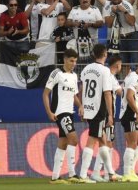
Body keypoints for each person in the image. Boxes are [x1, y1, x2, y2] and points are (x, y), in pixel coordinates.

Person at [42, 49, 82, 184]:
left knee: (63, 143)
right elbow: (45, 94)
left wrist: (80, 106)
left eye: (75, 61)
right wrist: (49, 112)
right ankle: (72, 174)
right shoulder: (57, 73)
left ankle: (55, 177)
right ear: (64, 59)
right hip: (60, 112)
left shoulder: (75, 76)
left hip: (70, 112)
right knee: (74, 139)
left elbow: (74, 95)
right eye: (71, 60)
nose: (73, 63)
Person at [78, 44, 116, 183]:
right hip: (98, 109)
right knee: (93, 139)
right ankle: (82, 175)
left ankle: (110, 173)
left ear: (94, 54)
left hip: (88, 107)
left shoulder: (86, 69)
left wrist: (81, 105)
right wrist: (110, 115)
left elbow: (82, 88)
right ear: (105, 54)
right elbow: (107, 93)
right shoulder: (105, 70)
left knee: (103, 140)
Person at [91, 55, 123, 182]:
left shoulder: (109, 76)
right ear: (117, 64)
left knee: (108, 142)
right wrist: (133, 90)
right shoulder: (109, 76)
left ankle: (106, 173)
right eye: (121, 64)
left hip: (106, 112)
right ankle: (99, 172)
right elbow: (120, 92)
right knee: (106, 142)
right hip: (107, 113)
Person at [99, 0, 138, 72]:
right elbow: (109, 25)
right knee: (124, 62)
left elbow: (132, 22)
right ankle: (126, 82)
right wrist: (113, 13)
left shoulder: (127, 5)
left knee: (136, 60)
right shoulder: (107, 7)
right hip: (119, 38)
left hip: (132, 35)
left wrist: (125, 12)